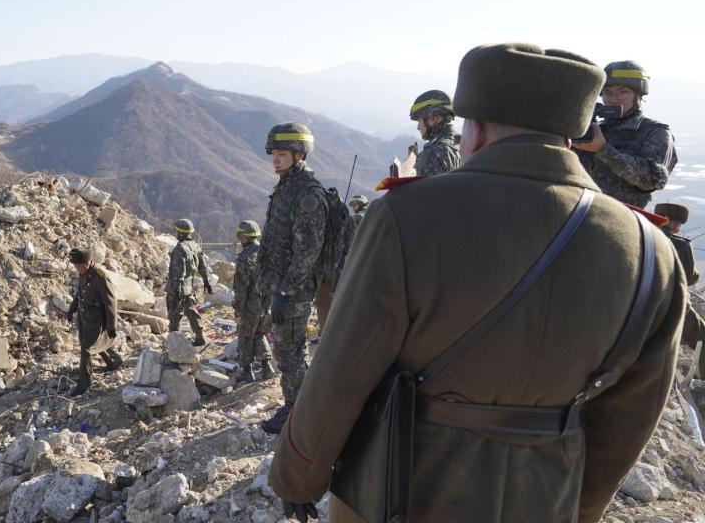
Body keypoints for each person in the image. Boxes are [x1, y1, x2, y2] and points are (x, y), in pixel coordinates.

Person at [269, 43, 686, 523]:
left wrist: (297, 476)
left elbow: (344, 367)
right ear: (573, 131)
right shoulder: (651, 250)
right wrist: (575, 506)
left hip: (399, 489)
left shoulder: (408, 215)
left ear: (476, 128)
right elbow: (629, 419)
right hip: (547, 496)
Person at [256, 122, 327, 434]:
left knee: (290, 352)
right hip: (282, 286)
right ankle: (300, 405)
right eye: (273, 153)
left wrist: (288, 292)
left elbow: (307, 253)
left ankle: (298, 411)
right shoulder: (287, 187)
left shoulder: (307, 195)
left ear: (299, 155)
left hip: (294, 291)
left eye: (282, 154)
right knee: (285, 350)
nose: (275, 159)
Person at [574, 60, 677, 208]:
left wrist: (603, 150)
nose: (614, 99)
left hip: (623, 218)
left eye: (623, 92)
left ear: (638, 96)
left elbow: (652, 180)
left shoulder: (655, 132)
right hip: (581, 210)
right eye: (607, 93)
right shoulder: (593, 129)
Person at [655, 202, 705, 378]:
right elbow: (690, 278)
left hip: (637, 299)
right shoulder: (682, 245)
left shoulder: (641, 235)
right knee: (702, 336)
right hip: (673, 303)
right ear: (675, 224)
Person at [66, 248, 123, 397]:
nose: (77, 269)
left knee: (87, 348)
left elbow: (111, 303)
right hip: (85, 317)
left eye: (79, 266)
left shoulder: (100, 276)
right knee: (94, 343)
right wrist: (72, 309)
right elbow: (80, 293)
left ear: (88, 262)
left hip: (97, 319)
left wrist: (111, 326)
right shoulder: (83, 273)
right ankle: (114, 362)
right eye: (76, 266)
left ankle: (84, 384)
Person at [232, 220, 275, 383]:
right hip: (265, 304)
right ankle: (267, 368)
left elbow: (241, 290)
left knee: (245, 337)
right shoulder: (266, 255)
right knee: (259, 334)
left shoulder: (244, 259)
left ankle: (247, 372)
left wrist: (238, 311)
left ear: (243, 237)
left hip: (249, 307)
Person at [166, 219, 212, 346]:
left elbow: (178, 272)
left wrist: (176, 291)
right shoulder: (195, 246)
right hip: (189, 288)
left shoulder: (179, 248)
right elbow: (202, 266)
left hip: (177, 287)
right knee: (192, 312)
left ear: (180, 233)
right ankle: (200, 337)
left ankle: (174, 344)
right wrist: (206, 281)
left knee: (174, 316)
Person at [410, 90, 461, 176]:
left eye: (419, 120)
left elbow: (425, 189)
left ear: (433, 119)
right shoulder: (468, 143)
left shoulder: (432, 154)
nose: (418, 127)